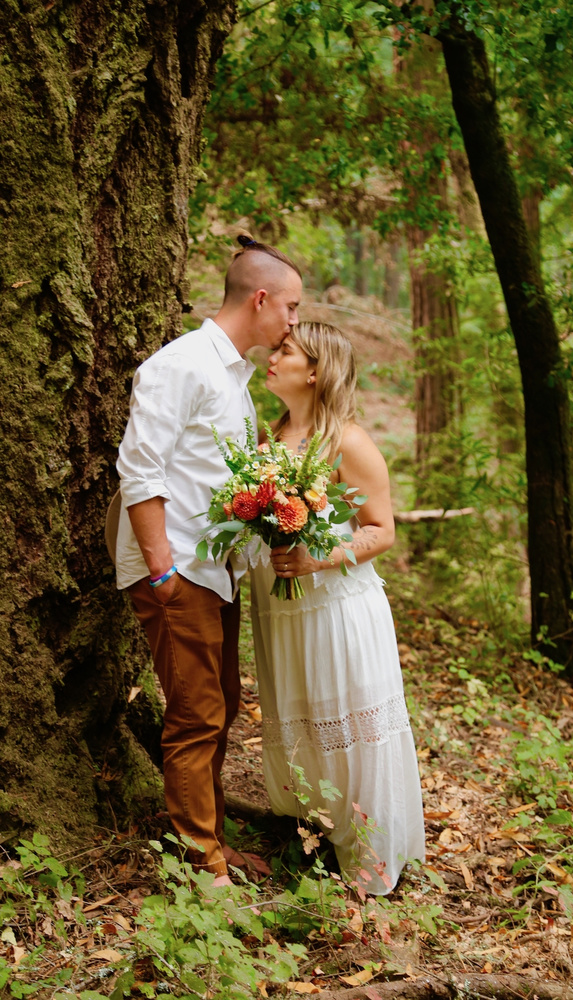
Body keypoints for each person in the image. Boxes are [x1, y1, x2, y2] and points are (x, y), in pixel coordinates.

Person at [115, 236, 302, 884]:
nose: (293, 322)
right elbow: (139, 469)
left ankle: (212, 840)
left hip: (215, 570)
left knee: (218, 707)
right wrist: (162, 570)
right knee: (196, 715)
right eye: (291, 308)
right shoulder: (183, 365)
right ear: (260, 299)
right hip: (179, 569)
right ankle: (202, 866)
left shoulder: (234, 380)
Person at [250, 321, 425, 895]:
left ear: (315, 371)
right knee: (300, 721)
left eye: (286, 351)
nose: (272, 356)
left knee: (348, 725)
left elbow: (381, 530)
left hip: (338, 611)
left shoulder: (347, 441)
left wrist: (317, 561)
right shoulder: (266, 442)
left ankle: (369, 859)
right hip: (283, 615)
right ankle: (315, 836)